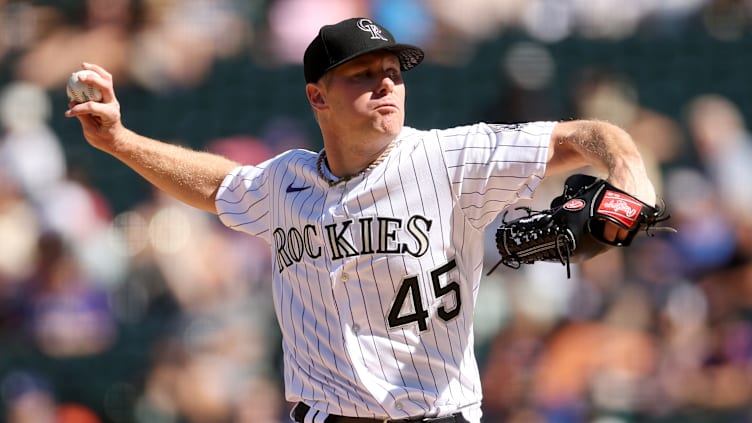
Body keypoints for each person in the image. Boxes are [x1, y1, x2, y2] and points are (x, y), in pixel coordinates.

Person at [65, 17, 657, 423]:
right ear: (317, 97)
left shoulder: (449, 157)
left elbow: (582, 135)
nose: (386, 84)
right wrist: (119, 140)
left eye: (394, 72)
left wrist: (627, 169)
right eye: (363, 74)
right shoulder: (283, 181)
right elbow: (217, 183)